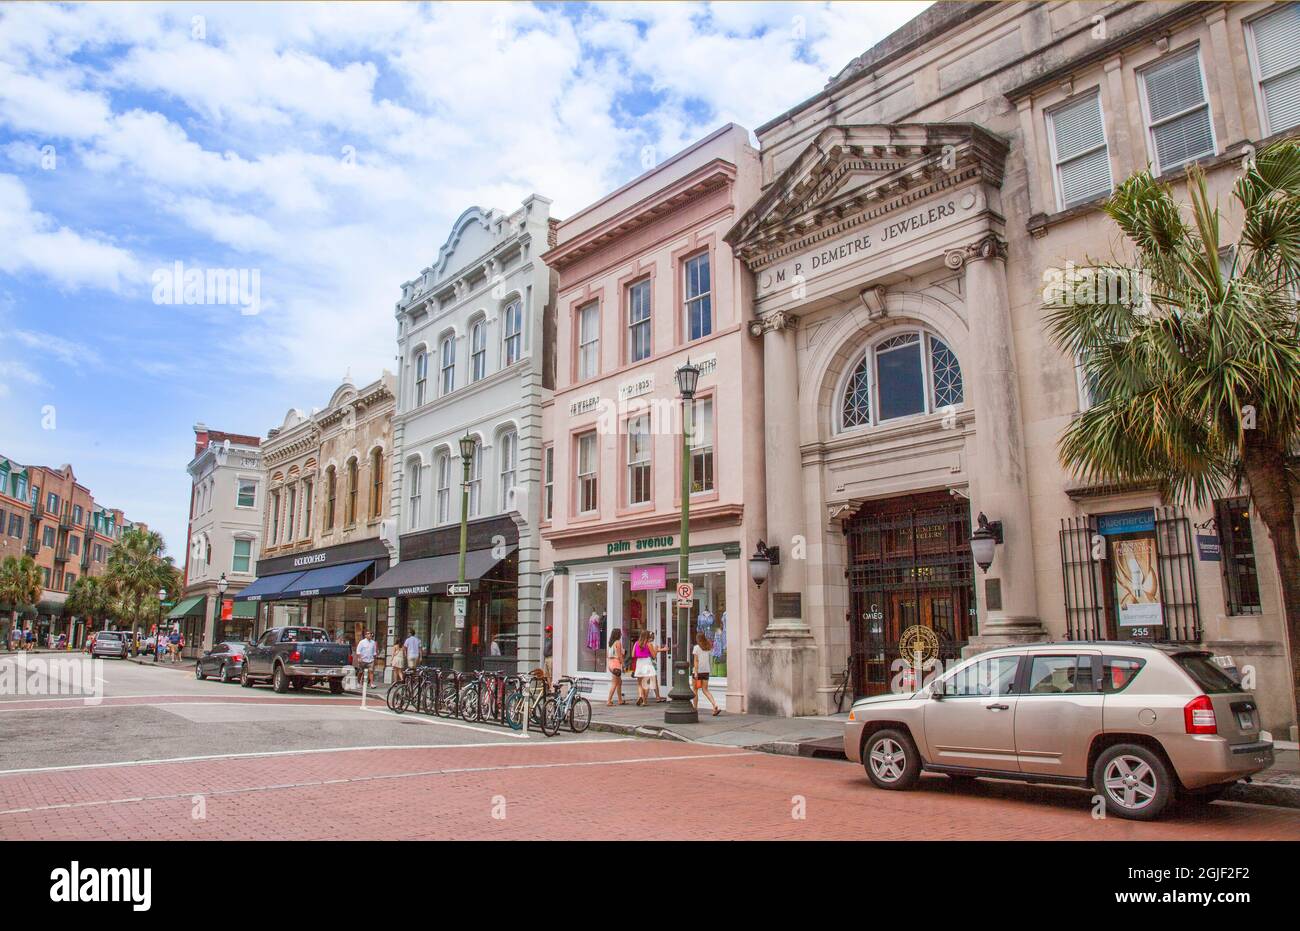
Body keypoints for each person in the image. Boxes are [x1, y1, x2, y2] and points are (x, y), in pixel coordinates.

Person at [692, 633, 721, 716]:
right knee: (705, 690)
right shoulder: (708, 647)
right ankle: (715, 705)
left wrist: (696, 672)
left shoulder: (696, 648)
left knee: (695, 690)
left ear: (698, 639)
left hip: (698, 672)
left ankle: (695, 709)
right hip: (706, 671)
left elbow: (696, 661)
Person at [632, 631, 656, 706]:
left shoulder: (636, 643)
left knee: (639, 683)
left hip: (639, 663)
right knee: (646, 683)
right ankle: (644, 701)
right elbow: (654, 656)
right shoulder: (649, 644)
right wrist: (656, 650)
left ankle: (640, 696)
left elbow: (633, 655)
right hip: (647, 662)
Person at [605, 628, 626, 706]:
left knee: (619, 682)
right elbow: (620, 655)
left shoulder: (610, 643)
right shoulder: (618, 642)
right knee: (614, 683)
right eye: (620, 633)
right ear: (618, 634)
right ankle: (609, 700)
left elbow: (607, 655)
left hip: (610, 664)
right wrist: (623, 664)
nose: (621, 634)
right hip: (616, 664)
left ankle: (620, 700)